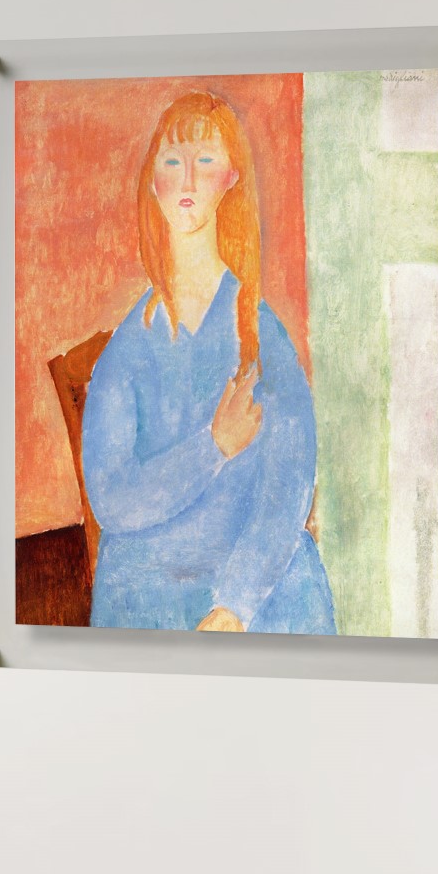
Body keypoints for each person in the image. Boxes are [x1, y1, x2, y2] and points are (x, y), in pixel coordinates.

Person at [81, 91, 336, 634]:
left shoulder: (261, 334)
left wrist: (236, 605)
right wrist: (213, 447)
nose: (189, 180)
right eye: (173, 162)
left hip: (252, 585)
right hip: (149, 589)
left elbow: (289, 484)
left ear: (231, 178)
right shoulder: (126, 350)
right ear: (153, 182)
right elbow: (114, 501)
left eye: (205, 160)